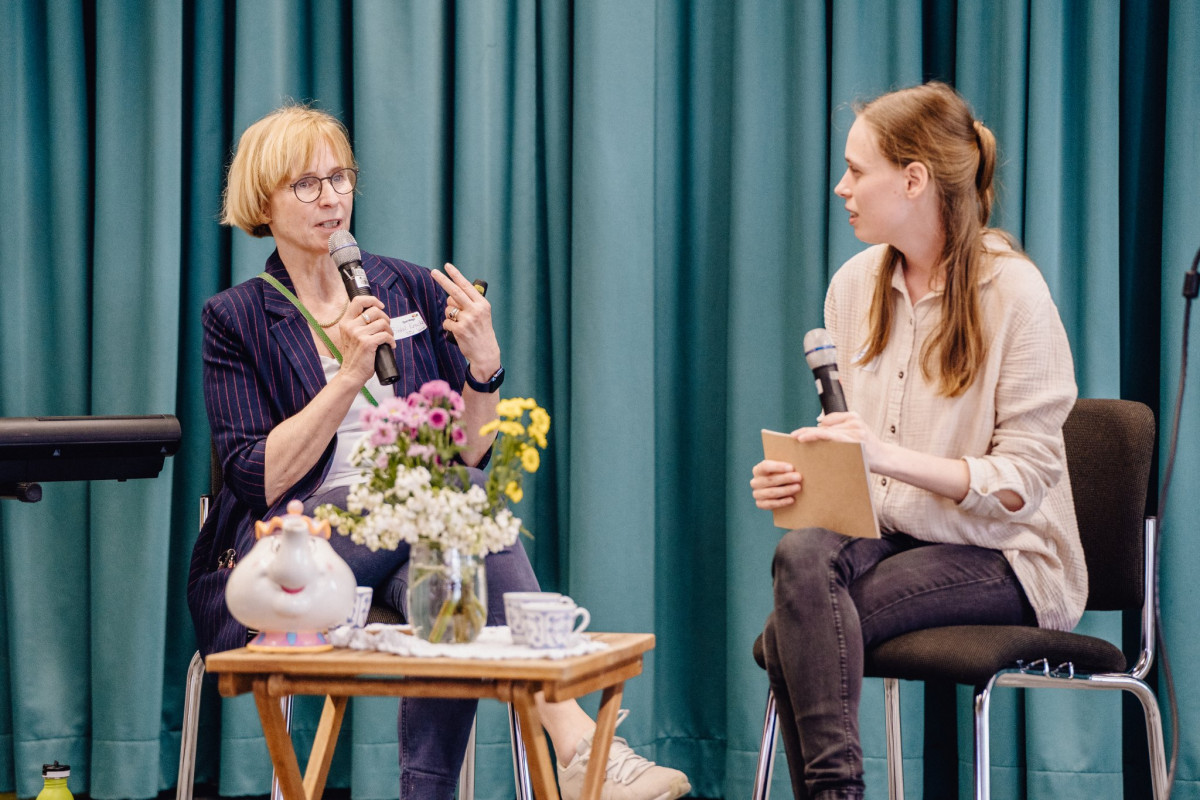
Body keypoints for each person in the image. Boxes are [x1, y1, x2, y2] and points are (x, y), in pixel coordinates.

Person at [186, 103, 691, 800]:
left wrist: (484, 371)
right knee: (452, 518)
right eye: (306, 184)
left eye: (340, 177)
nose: (331, 197)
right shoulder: (236, 317)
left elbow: (467, 460)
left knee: (453, 584)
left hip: (412, 529)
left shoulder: (408, 287)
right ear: (263, 201)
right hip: (296, 551)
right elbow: (256, 478)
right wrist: (348, 377)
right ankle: (580, 745)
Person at [749, 82, 1084, 800]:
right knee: (800, 553)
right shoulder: (852, 285)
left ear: (913, 179)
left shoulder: (1015, 294)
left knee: (792, 637)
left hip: (1008, 553)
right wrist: (802, 481)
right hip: (894, 533)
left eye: (855, 170)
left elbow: (1025, 483)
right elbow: (862, 470)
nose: (841, 188)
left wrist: (885, 456)